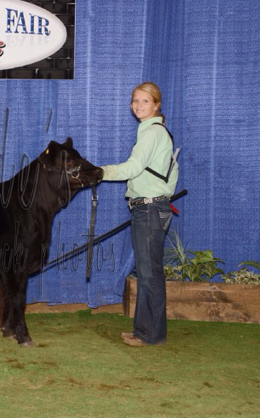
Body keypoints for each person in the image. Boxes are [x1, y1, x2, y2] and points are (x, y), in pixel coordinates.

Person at [100, 81, 179, 347]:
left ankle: (150, 335)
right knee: (147, 272)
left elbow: (132, 168)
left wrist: (99, 172)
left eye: (144, 101)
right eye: (135, 100)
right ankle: (143, 329)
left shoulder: (152, 133)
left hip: (149, 209)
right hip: (150, 208)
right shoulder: (154, 131)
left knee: (149, 274)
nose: (138, 105)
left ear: (156, 105)